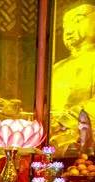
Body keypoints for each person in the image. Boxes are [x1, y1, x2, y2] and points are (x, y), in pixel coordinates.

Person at [50, 0, 95, 155]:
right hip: (55, 132)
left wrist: (65, 120)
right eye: (65, 25)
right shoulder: (56, 67)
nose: (69, 29)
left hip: (82, 133)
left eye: (77, 20)